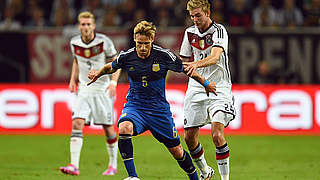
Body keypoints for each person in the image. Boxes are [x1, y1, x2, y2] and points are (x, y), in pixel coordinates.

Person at [87, 20, 217, 180]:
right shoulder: (127, 56)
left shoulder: (163, 55)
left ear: (152, 39)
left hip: (159, 111)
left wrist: (205, 83)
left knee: (177, 151)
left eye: (146, 44)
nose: (142, 48)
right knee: (124, 127)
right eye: (139, 43)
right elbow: (111, 67)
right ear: (135, 38)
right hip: (136, 107)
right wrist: (97, 74)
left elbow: (186, 69)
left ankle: (195, 177)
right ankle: (133, 176)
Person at [59, 11, 121, 176]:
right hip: (84, 89)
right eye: (83, 24)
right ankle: (74, 165)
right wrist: (73, 80)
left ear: (93, 26)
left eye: (88, 24)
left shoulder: (104, 41)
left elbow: (116, 63)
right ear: (79, 26)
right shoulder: (74, 42)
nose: (86, 27)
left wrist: (113, 83)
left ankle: (113, 165)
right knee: (77, 123)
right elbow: (76, 61)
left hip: (102, 89)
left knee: (108, 128)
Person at [180, 1, 236, 180]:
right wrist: (200, 79)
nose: (195, 19)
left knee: (217, 135)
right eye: (192, 16)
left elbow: (215, 57)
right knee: (189, 137)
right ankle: (205, 171)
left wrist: (195, 63)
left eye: (198, 15)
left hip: (219, 87)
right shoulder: (189, 33)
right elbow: (183, 62)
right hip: (197, 86)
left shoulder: (219, 31)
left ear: (208, 12)